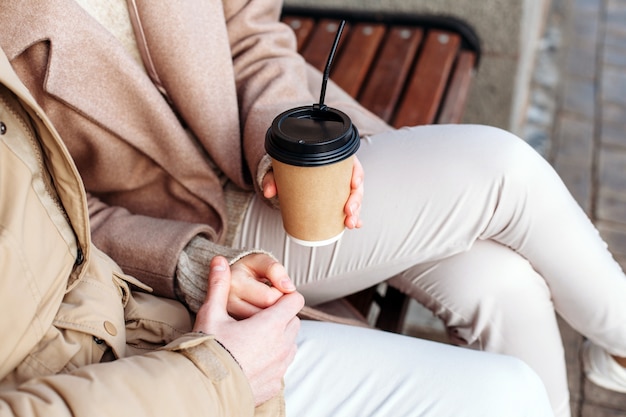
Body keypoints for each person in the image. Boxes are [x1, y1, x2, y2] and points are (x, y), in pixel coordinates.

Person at [0, 1, 625, 416]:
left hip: (278, 166)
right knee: (502, 171)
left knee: (500, 282)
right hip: (198, 235)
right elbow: (55, 215)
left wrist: (283, 139)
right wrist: (187, 259)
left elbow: (252, 36)